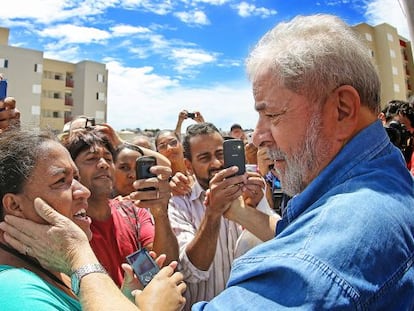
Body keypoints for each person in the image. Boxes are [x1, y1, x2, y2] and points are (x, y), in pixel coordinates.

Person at [191, 14, 414, 309]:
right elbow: (301, 233)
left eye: (272, 115)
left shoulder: (324, 255)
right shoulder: (383, 172)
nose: (257, 137)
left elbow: (314, 254)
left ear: (342, 110)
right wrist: (241, 214)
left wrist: (105, 276)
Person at [0, 129, 186, 311]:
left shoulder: (55, 269)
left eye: (76, 178)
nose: (83, 191)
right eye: (60, 181)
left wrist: (127, 301)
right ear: (15, 205)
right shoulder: (18, 292)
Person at [168, 122, 275, 310]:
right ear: (188, 166)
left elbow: (276, 247)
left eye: (220, 154)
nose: (216, 164)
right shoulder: (179, 203)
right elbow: (192, 272)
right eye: (204, 158)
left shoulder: (248, 190)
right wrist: (213, 213)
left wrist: (257, 205)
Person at [64, 128, 178, 287]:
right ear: (73, 171)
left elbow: (166, 266)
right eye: (91, 158)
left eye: (108, 158)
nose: (103, 164)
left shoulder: (134, 211)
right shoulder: (69, 227)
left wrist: (161, 214)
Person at [155, 129, 194, 196]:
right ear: (158, 153)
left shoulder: (198, 172)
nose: (169, 148)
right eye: (162, 146)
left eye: (173, 142)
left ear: (182, 146)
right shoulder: (158, 186)